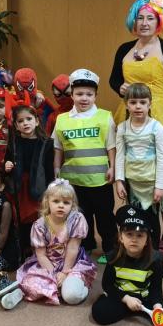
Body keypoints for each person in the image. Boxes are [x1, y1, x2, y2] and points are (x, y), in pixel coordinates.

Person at [109, 0, 163, 258]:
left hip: (162, 119)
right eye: (140, 18)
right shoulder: (124, 49)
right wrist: (120, 87)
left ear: (159, 22)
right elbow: (113, 79)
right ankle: (140, 233)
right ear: (133, 21)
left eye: (150, 18)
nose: (144, 23)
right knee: (134, 175)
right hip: (129, 117)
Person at [2, 179, 96, 310]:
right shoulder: (39, 225)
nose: (61, 205)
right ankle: (20, 292)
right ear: (47, 202)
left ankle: (80, 287)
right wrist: (54, 275)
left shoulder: (77, 219)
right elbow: (41, 255)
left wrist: (64, 273)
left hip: (71, 264)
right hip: (47, 264)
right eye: (56, 201)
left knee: (71, 296)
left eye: (66, 202)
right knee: (32, 284)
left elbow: (73, 248)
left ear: (72, 204)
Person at [53, 69, 117, 257]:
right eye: (79, 94)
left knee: (105, 216)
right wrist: (56, 168)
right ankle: (86, 246)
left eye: (89, 94)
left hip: (100, 180)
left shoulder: (105, 117)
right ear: (72, 95)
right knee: (81, 215)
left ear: (95, 96)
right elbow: (58, 148)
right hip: (74, 181)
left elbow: (111, 146)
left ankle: (110, 248)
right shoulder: (62, 120)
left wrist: (113, 167)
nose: (84, 98)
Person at [115, 82, 163, 242]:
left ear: (149, 104)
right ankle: (137, 250)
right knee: (135, 218)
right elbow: (120, 156)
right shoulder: (122, 128)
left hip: (151, 182)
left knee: (151, 219)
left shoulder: (157, 128)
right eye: (133, 102)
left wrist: (160, 186)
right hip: (132, 182)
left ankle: (153, 251)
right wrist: (119, 181)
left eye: (142, 102)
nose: (138, 106)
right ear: (126, 104)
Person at [5, 103, 54, 260]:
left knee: (37, 217)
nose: (25, 123)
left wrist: (50, 190)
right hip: (20, 186)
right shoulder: (13, 142)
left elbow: (49, 169)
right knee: (21, 218)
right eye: (20, 121)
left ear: (37, 121)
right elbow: (7, 161)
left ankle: (38, 248)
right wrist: (7, 165)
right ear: (16, 125)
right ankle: (24, 247)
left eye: (29, 119)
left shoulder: (46, 143)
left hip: (38, 184)